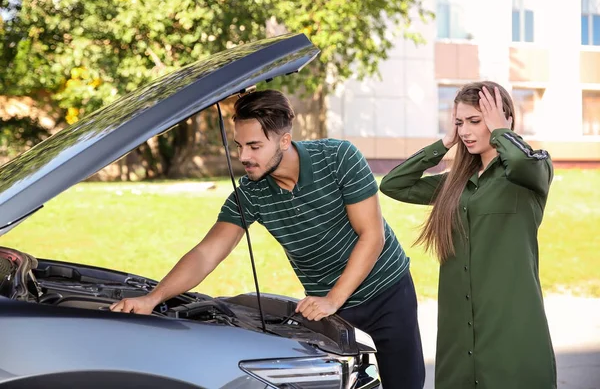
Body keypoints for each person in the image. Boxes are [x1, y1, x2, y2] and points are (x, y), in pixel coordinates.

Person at [110, 89, 425, 388]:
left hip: (386, 292)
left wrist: (333, 299)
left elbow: (371, 235)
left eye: (254, 146)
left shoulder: (338, 157)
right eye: (239, 145)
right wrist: (153, 297)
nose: (243, 156)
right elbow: (207, 253)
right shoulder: (251, 192)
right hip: (325, 304)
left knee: (405, 384)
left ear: (284, 140)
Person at [379, 81, 556, 389]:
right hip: (458, 332)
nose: (465, 131)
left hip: (510, 326)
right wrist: (444, 143)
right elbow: (394, 184)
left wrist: (501, 130)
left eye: (476, 120)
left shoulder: (530, 172)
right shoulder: (455, 183)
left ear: (506, 120)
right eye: (460, 122)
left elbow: (517, 160)